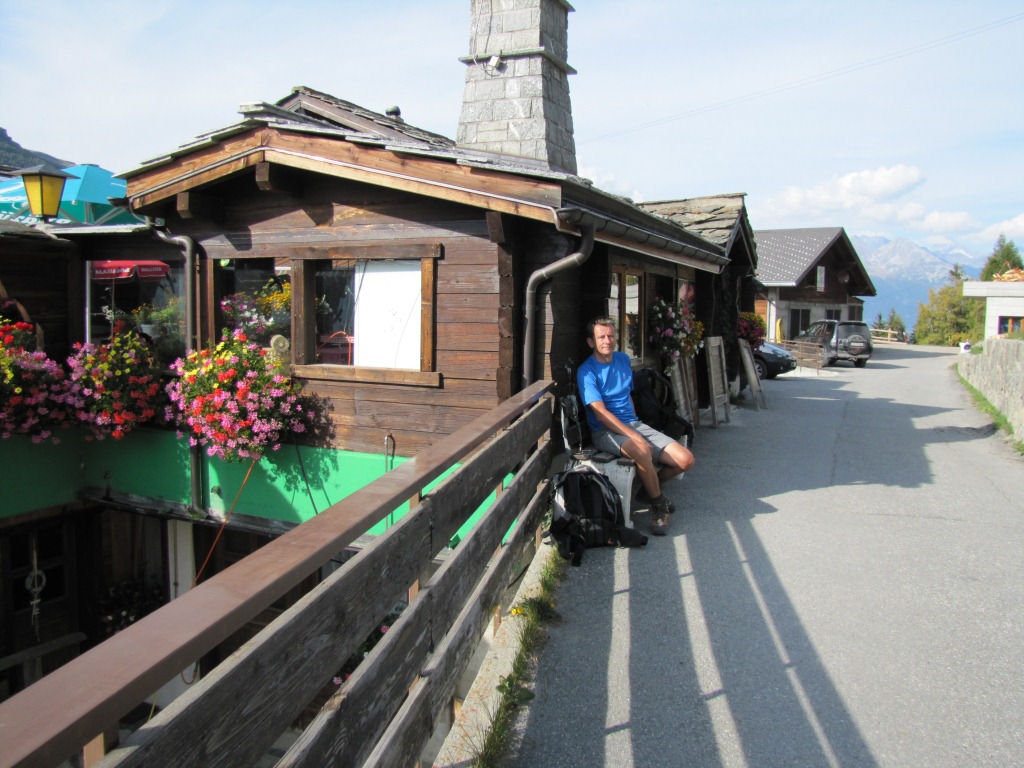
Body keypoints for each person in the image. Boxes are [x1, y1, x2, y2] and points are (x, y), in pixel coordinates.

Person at [577, 316, 695, 535]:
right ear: (591, 342)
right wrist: (635, 436)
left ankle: (648, 492)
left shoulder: (623, 360)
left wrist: (637, 427)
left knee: (685, 460)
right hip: (605, 432)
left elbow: (628, 396)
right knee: (641, 450)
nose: (607, 341)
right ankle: (658, 505)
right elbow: (601, 414)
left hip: (633, 424)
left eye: (611, 336)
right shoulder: (587, 371)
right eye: (601, 337)